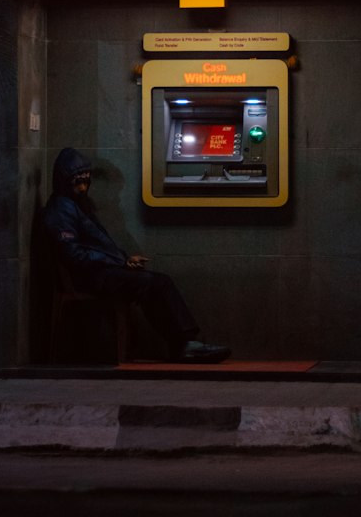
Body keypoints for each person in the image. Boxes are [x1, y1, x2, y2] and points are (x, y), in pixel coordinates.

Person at [42, 147, 231, 363]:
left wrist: (124, 260)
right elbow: (73, 255)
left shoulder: (75, 205)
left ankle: (184, 343)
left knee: (155, 282)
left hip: (99, 272)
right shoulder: (61, 209)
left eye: (86, 181)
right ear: (65, 180)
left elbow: (95, 246)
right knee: (154, 283)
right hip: (89, 278)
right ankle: (184, 344)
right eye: (78, 182)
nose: (84, 187)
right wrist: (119, 261)